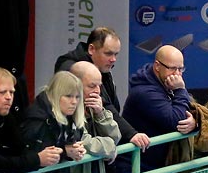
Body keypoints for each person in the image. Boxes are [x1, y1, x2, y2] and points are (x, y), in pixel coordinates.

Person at [53, 26, 151, 157]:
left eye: (116, 54)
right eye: (108, 53)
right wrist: (129, 135)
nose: (113, 59)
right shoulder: (72, 68)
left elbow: (108, 109)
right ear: (91, 49)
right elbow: (106, 104)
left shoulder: (103, 70)